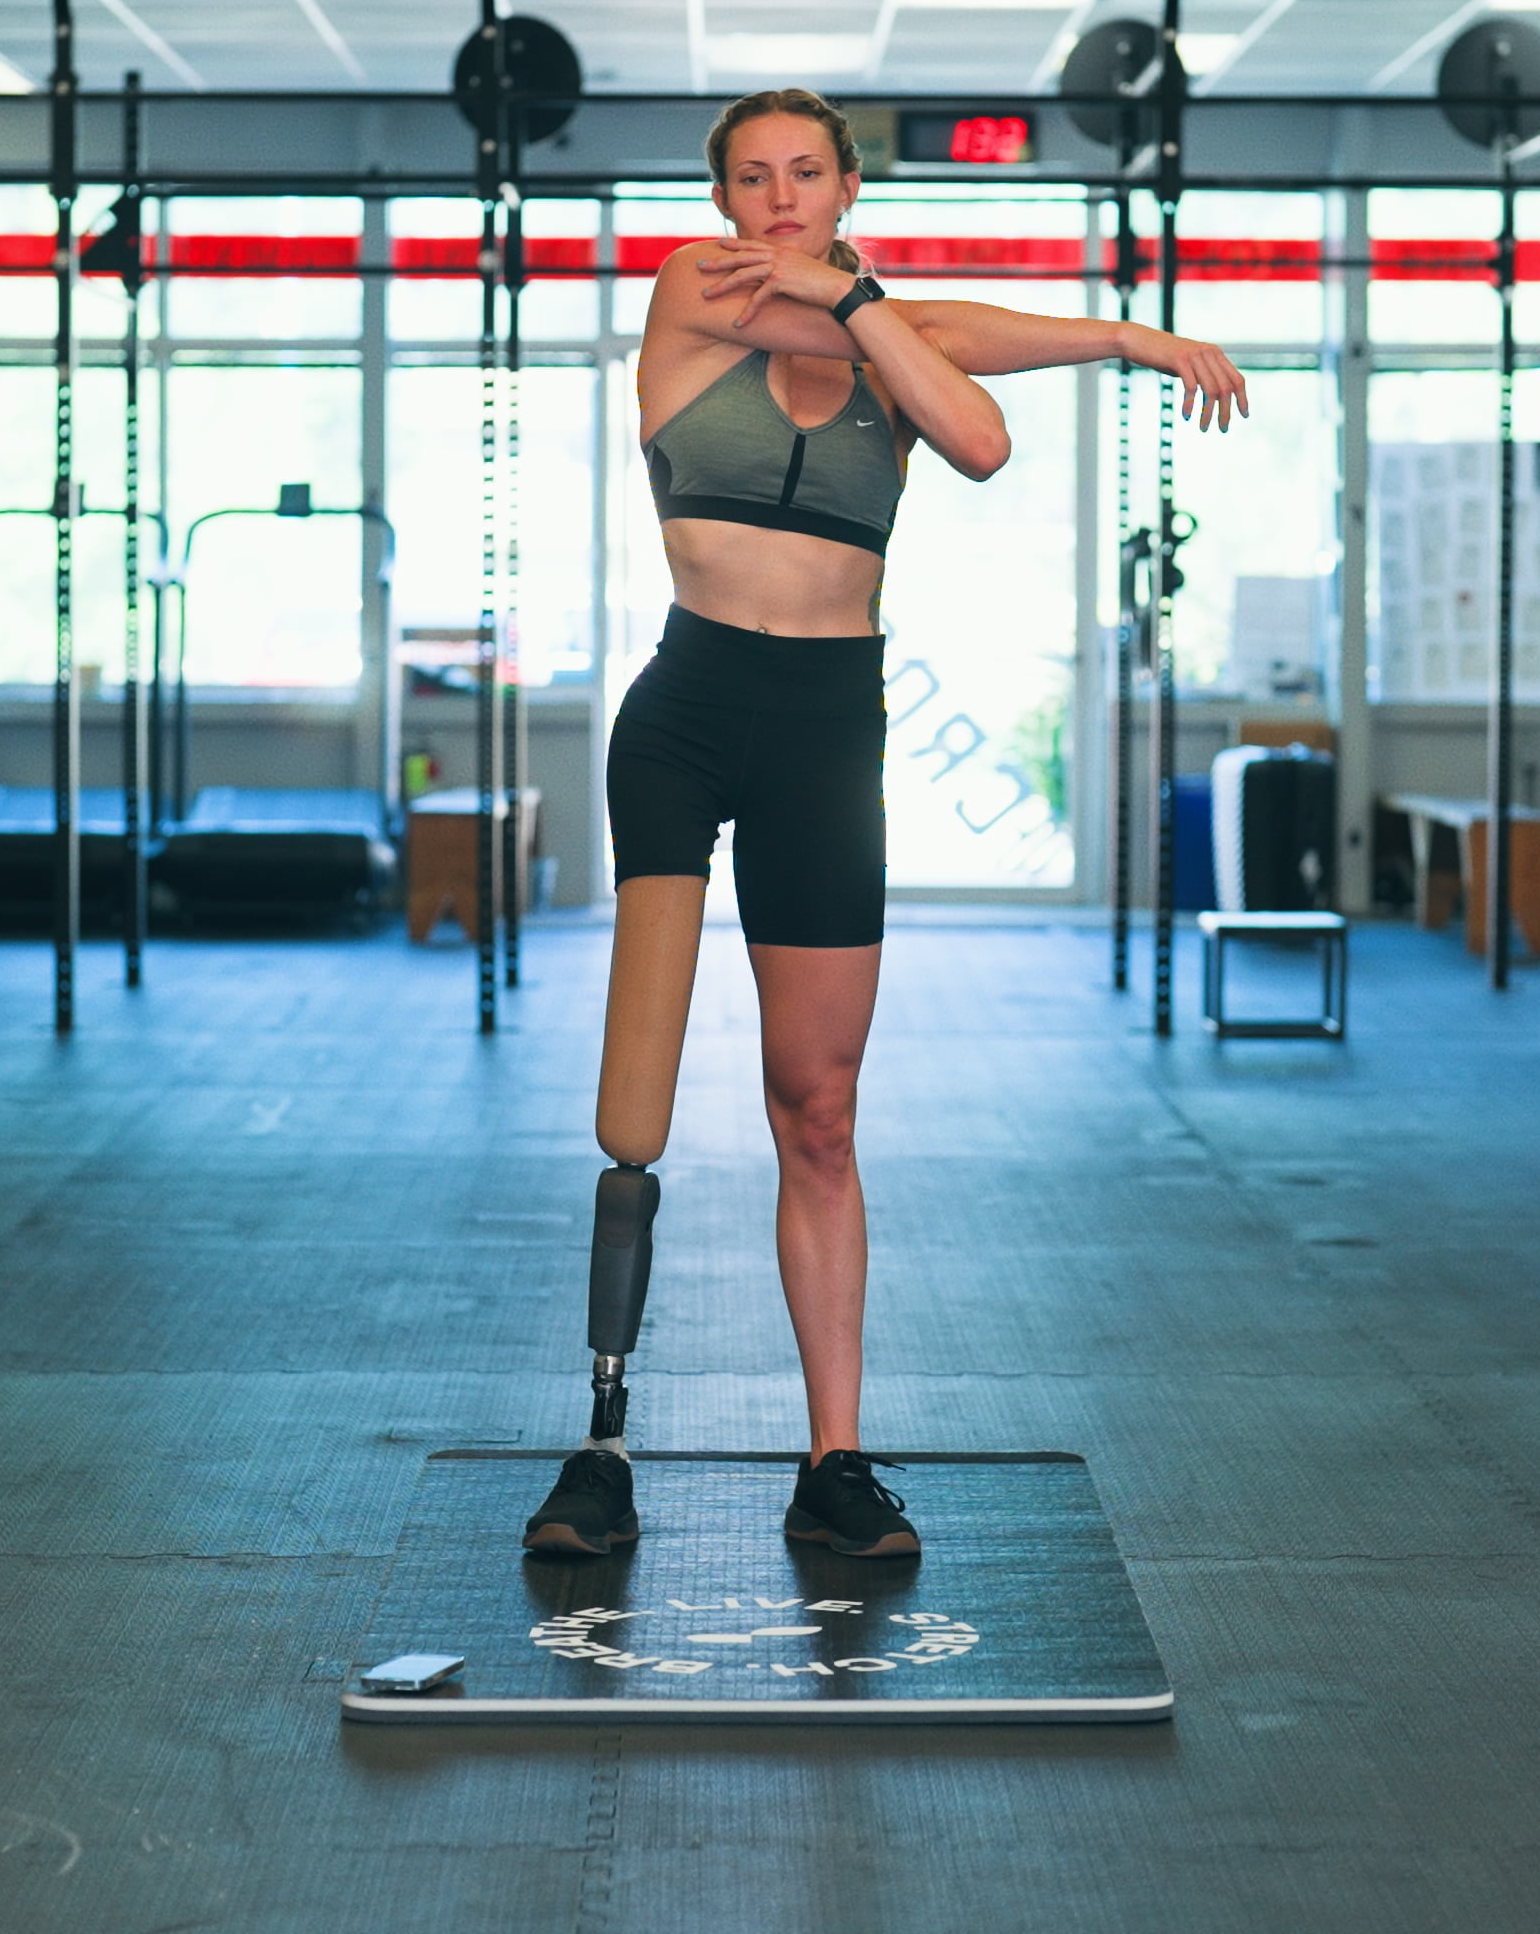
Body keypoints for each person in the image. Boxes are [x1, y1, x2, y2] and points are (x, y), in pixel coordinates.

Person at [521, 87, 1249, 1561]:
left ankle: (834, 1460)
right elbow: (951, 382)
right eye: (751, 176)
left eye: (806, 172)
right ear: (721, 197)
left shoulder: (872, 321)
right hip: (687, 710)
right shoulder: (695, 288)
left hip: (826, 730)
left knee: (821, 1107)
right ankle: (601, 1445)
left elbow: (968, 428)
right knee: (634, 1111)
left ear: (850, 186)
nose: (778, 198)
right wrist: (898, 311)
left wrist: (1124, 336)